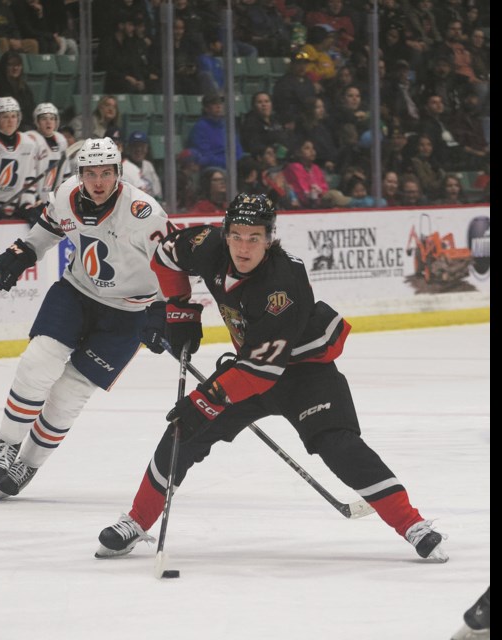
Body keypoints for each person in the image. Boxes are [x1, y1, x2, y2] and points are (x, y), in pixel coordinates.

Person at [94, 193, 449, 563]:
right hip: (251, 367)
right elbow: (165, 255)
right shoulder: (208, 245)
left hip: (304, 374)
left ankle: (413, 524)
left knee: (339, 446)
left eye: (255, 238)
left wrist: (205, 401)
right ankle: (136, 521)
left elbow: (263, 373)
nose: (243, 247)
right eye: (237, 235)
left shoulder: (283, 283)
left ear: (270, 238)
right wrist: (178, 308)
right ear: (225, 232)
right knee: (183, 433)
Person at [0, 137, 173, 499]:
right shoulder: (67, 194)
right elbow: (50, 228)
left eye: (106, 173)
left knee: (70, 392)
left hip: (129, 311)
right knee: (38, 361)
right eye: (90, 173)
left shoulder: (143, 213)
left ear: (119, 174)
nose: (98, 182)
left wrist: (165, 309)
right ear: (79, 174)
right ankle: (7, 445)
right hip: (77, 292)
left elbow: (173, 263)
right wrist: (23, 252)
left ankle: (30, 462)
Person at [23, 103, 71, 212]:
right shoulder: (31, 139)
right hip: (33, 201)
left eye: (52, 118)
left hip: (55, 203)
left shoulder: (61, 141)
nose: (48, 122)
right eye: (44, 118)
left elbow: (65, 175)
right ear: (37, 121)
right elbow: (27, 174)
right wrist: (33, 198)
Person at [122, 130, 163, 201]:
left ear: (147, 148)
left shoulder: (148, 165)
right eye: (135, 146)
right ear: (128, 148)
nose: (139, 149)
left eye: (142, 146)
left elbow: (158, 193)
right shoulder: (123, 168)